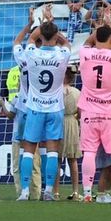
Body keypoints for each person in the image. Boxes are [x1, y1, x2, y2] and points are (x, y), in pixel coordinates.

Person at [77, 16, 111, 203]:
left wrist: (99, 29)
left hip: (89, 112)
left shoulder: (85, 54)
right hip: (110, 113)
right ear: (110, 40)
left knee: (89, 153)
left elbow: (87, 42)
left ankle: (86, 193)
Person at [16, 20, 71, 201]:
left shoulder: (31, 53)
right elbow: (66, 43)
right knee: (52, 150)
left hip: (35, 107)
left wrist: (42, 24)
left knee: (29, 149)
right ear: (56, 36)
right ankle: (48, 191)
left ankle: (24, 192)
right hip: (55, 108)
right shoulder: (62, 55)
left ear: (40, 35)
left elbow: (31, 38)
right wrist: (52, 24)